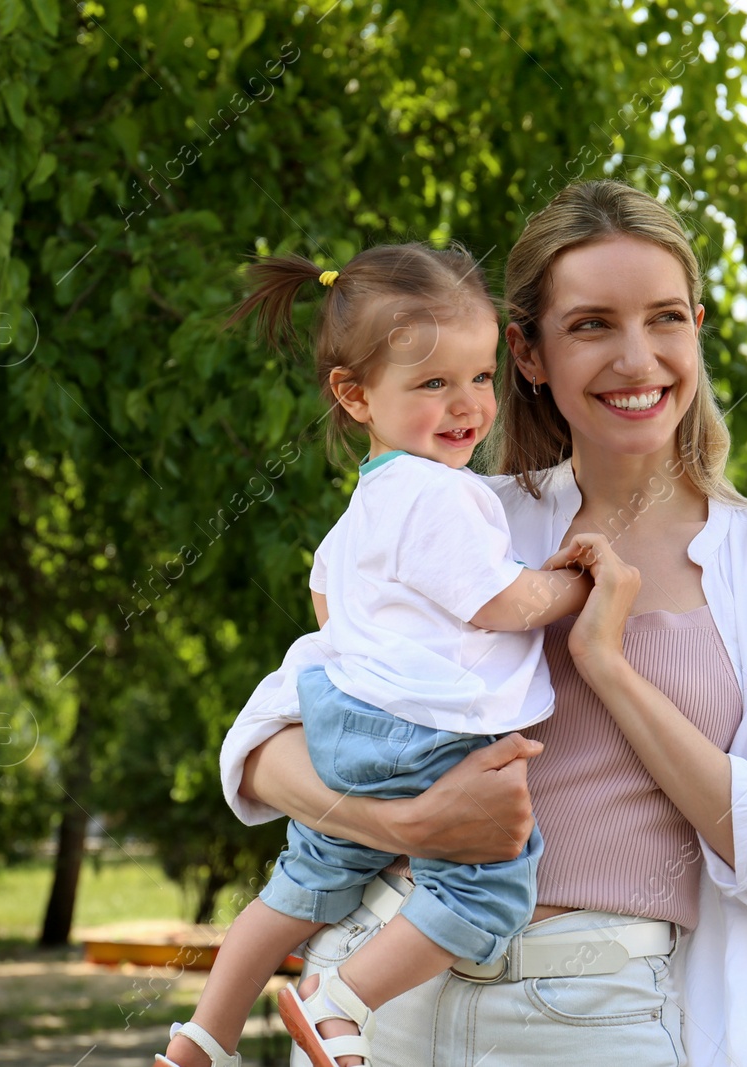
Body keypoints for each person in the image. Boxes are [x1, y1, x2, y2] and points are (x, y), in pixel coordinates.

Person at [221, 180, 747, 1066]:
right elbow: (264, 744)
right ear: (526, 353)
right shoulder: (460, 521)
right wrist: (412, 827)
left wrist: (608, 663)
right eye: (593, 324)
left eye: (666, 318)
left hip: (600, 1012)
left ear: (698, 330)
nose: (638, 359)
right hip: (377, 999)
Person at [158, 243, 626, 1067]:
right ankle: (338, 1001)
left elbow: (331, 613)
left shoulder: (361, 508)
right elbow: (505, 604)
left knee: (305, 882)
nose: (466, 406)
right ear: (355, 395)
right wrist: (576, 587)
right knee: (484, 887)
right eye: (433, 384)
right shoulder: (445, 494)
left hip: (345, 730)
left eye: (480, 377)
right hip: (427, 737)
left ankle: (202, 1035)